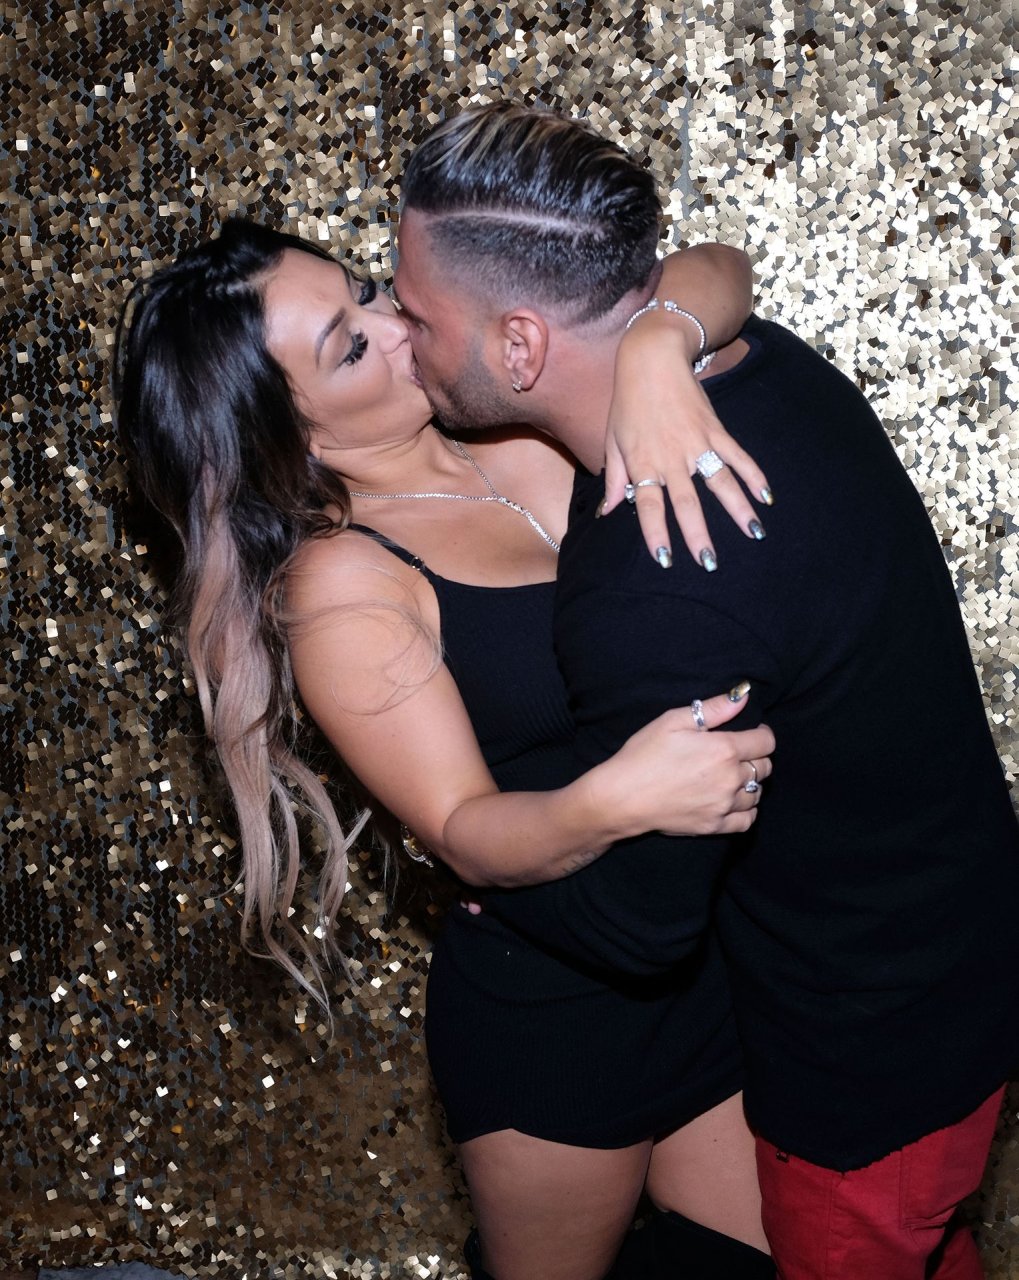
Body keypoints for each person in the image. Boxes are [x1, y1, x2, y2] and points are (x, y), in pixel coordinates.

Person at [392, 100, 1019, 1280]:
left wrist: (475, 874)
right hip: (956, 953)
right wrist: (657, 338)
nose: (397, 331)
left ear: (519, 346)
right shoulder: (754, 361)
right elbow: (710, 275)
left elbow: (642, 924)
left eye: (415, 313)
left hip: (864, 1060)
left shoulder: (654, 576)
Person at [114, 219, 780, 1280]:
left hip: (702, 953)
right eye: (349, 345)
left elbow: (720, 272)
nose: (395, 323)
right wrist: (619, 797)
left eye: (368, 291)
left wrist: (659, 344)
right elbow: (464, 829)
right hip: (552, 1009)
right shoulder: (346, 582)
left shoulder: (511, 412)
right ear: (291, 438)